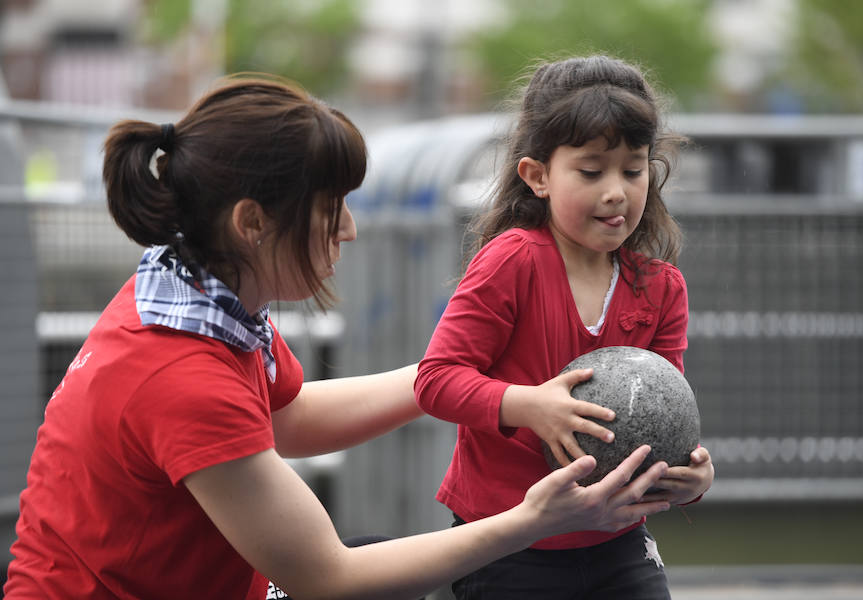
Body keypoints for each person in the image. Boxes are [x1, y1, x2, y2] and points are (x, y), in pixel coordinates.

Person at [4, 75, 673, 600]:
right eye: (331, 209)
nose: (349, 230)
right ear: (252, 222)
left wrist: (458, 376)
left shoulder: (195, 298)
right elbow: (326, 579)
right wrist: (532, 521)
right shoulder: (180, 373)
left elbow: (287, 417)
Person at [415, 55, 716, 599]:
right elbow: (436, 380)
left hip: (617, 539)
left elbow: (664, 412)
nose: (616, 192)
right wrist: (531, 405)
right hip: (505, 539)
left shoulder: (662, 287)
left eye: (633, 168)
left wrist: (690, 479)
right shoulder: (512, 262)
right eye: (591, 170)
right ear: (538, 176)